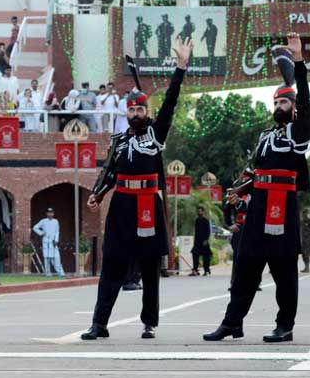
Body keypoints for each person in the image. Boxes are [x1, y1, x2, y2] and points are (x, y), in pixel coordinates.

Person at [204, 33, 310, 344]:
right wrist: (241, 189)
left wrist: (299, 62)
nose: (279, 105)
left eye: (285, 101)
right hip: (257, 209)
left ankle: (285, 326)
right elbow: (257, 172)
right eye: (276, 101)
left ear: (294, 108)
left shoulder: (299, 134)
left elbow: (304, 100)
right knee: (245, 269)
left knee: (284, 275)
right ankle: (232, 323)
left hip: (284, 209)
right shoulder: (265, 137)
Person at [82, 38, 191, 341]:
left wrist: (180, 67)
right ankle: (98, 323)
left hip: (148, 206)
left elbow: (170, 101)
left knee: (149, 266)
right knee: (112, 263)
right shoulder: (119, 141)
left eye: (141, 109)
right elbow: (109, 172)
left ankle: (149, 323)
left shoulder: (156, 134)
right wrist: (97, 193)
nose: (136, 114)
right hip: (121, 206)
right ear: (126, 112)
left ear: (146, 111)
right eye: (132, 110)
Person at [33, 208, 65, 277]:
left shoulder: (56, 221)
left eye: (51, 212)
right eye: (49, 212)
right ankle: (47, 273)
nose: (50, 214)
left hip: (53, 241)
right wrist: (41, 233)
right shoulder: (43, 221)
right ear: (47, 213)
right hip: (46, 241)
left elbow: (57, 232)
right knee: (47, 258)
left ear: (53, 214)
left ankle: (61, 273)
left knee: (56, 258)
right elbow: (35, 227)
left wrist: (56, 240)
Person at [190, 206, 211, 276]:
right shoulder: (197, 220)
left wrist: (206, 240)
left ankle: (206, 270)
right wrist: (195, 241)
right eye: (198, 211)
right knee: (195, 254)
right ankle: (195, 270)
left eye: (200, 211)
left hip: (204, 241)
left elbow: (208, 231)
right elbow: (196, 231)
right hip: (197, 241)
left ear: (203, 212)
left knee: (206, 256)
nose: (199, 212)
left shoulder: (206, 220)